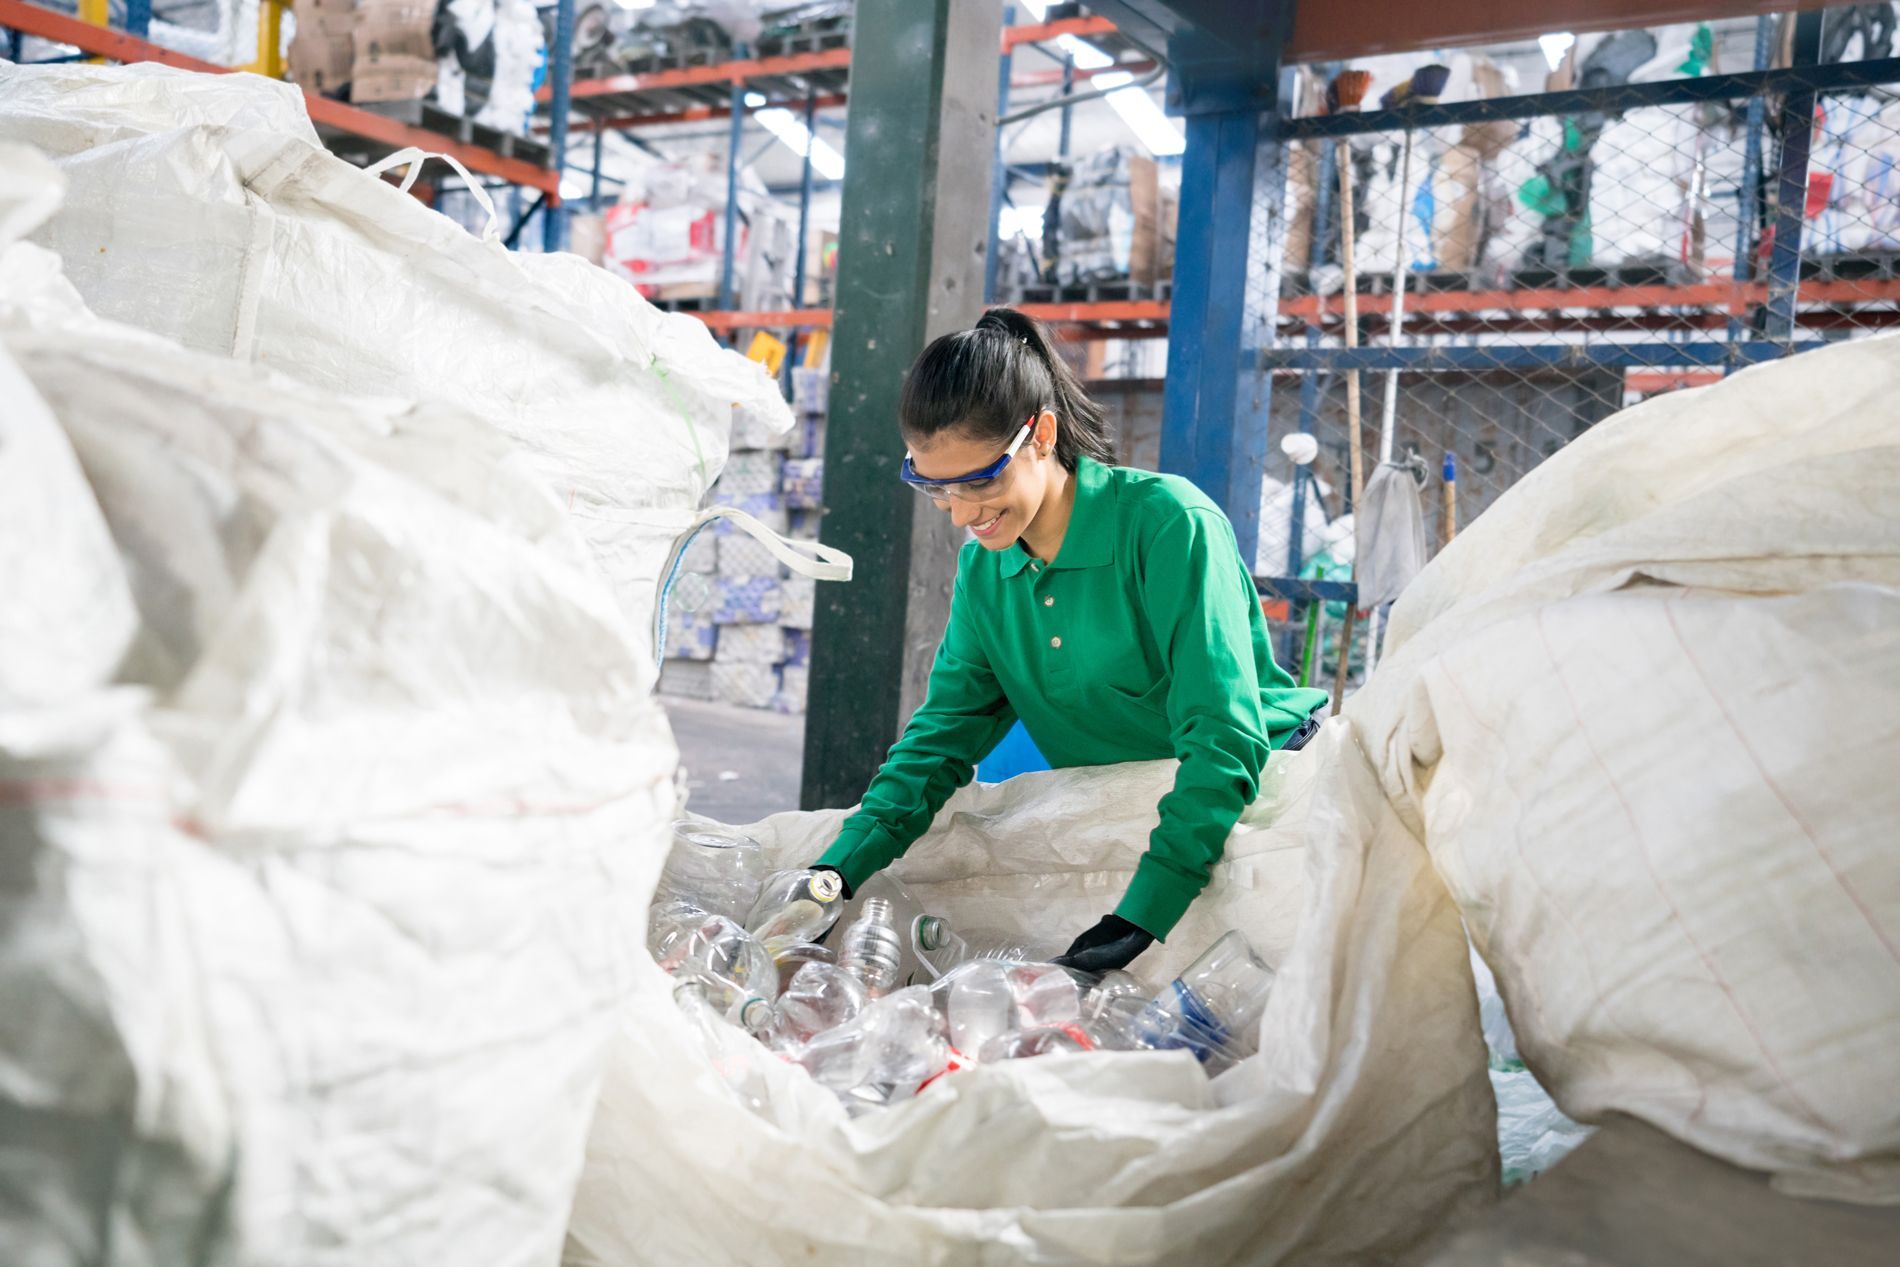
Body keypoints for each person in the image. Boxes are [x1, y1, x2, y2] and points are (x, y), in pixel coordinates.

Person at [813, 307, 1330, 974]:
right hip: (1137, 811)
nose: (964, 514)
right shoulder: (987, 569)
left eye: (981, 481)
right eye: (936, 489)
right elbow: (939, 740)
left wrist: (1145, 907)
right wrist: (835, 871)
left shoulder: (1168, 525)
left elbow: (1221, 737)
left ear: (1042, 435)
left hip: (1258, 800)